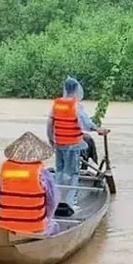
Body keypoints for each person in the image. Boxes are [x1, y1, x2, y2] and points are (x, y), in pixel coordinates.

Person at [46, 76, 102, 204]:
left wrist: (51, 139)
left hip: (59, 143)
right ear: (77, 90)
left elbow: (49, 123)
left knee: (59, 170)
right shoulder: (76, 106)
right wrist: (98, 129)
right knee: (73, 173)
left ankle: (56, 200)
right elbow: (86, 124)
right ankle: (69, 202)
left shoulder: (57, 104)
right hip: (73, 144)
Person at [0, 131, 61, 236]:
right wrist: (47, 217)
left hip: (4, 227)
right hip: (34, 228)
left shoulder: (6, 167)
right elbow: (52, 201)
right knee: (54, 225)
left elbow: (0, 193)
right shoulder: (41, 173)